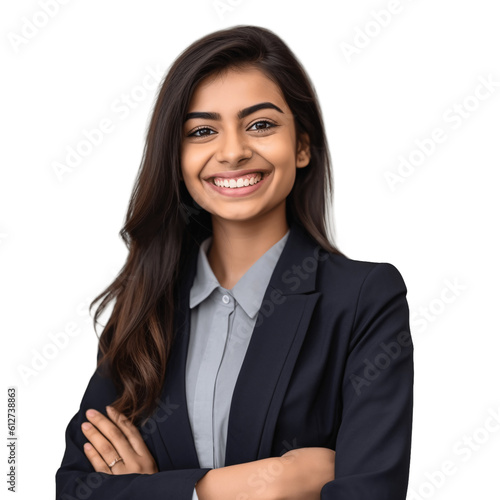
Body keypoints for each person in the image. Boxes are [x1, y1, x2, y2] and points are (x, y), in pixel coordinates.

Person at [55, 25, 413, 500]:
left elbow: (370, 493)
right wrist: (241, 487)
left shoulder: (364, 298)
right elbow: (77, 489)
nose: (232, 151)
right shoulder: (143, 306)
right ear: (178, 158)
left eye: (260, 124)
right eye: (202, 131)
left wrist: (151, 490)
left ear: (302, 145)